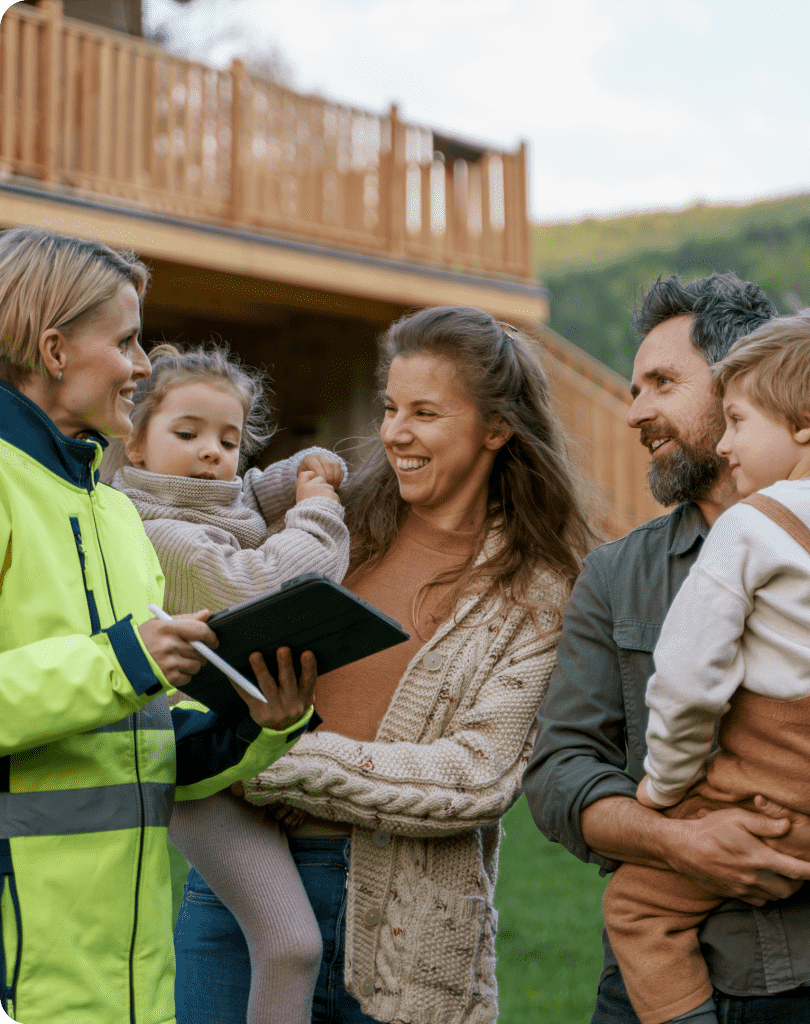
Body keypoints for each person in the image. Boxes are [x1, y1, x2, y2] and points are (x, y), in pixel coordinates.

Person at [174, 305, 595, 1024]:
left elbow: (477, 774)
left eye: (425, 413)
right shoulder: (326, 525)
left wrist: (260, 760)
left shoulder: (538, 589)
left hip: (408, 918)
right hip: (241, 886)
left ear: (496, 428)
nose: (395, 432)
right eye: (392, 407)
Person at [0, 228, 316, 1024]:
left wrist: (255, 723)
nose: (145, 366)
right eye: (129, 341)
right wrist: (124, 660)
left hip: (124, 979)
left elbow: (143, 742)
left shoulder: (113, 514)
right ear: (55, 349)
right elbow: (119, 673)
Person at [523, 273, 810, 1024]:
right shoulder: (617, 576)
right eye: (633, 387)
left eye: (661, 383)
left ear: (737, 384)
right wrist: (682, 843)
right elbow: (559, 773)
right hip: (654, 979)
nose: (634, 412)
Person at [112, 341, 351, 1024]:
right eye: (187, 434)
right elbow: (263, 582)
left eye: (229, 437)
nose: (213, 451)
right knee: (291, 944)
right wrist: (316, 506)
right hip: (196, 765)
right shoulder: (160, 532)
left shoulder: (205, 501)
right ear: (135, 443)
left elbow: (241, 495)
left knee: (284, 942)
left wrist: (296, 473)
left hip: (247, 744)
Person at [603, 314, 810, 1024]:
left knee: (635, 909)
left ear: (805, 424)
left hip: (768, 797)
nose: (726, 445)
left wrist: (667, 784)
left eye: (738, 420)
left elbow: (689, 683)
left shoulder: (749, 528)